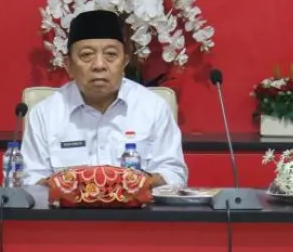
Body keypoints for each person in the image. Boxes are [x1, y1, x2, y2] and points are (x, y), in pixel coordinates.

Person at [21, 10, 188, 187]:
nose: (99, 65)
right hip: (65, 205)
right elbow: (29, 179)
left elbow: (174, 174)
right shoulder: (45, 114)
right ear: (69, 65)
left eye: (111, 55)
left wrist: (139, 185)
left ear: (124, 62)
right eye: (86, 55)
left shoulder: (153, 107)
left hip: (138, 205)